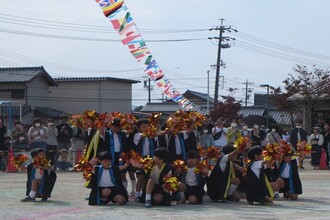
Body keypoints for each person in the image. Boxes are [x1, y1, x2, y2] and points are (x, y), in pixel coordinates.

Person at [133, 119, 156, 202]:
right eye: (144, 127)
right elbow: (144, 135)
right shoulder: (137, 135)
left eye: (148, 126)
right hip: (140, 159)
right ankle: (137, 195)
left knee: (148, 177)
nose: (146, 128)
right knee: (140, 177)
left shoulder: (151, 137)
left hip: (150, 158)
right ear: (138, 129)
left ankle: (145, 195)